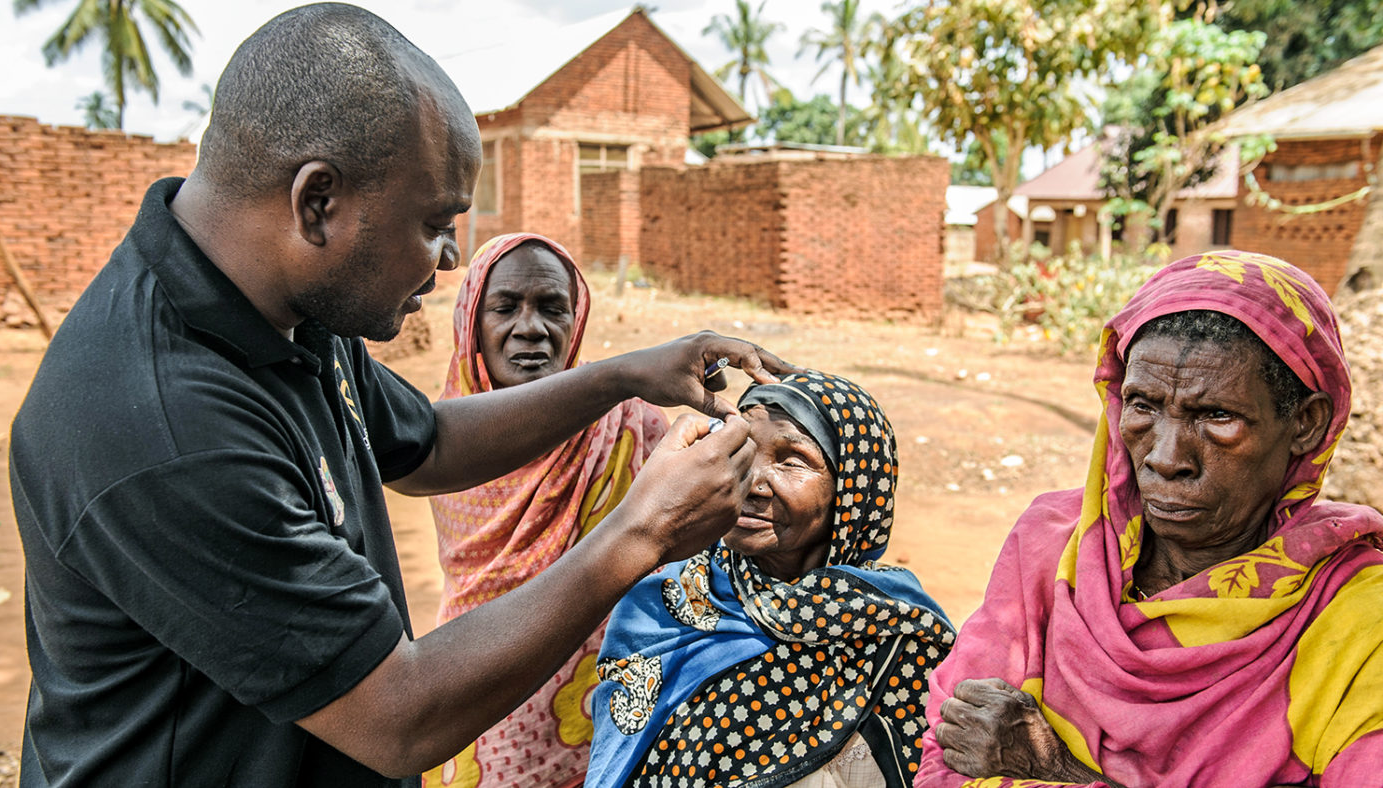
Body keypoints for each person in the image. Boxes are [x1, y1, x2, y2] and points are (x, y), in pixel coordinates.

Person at [8, 5, 794, 786]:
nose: (452, 260)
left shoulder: (289, 310)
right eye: (435, 222)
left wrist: (628, 374)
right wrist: (641, 531)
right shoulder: (165, 427)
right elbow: (400, 714)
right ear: (318, 202)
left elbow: (427, 444)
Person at [915, 250, 1383, 788]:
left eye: (1215, 416)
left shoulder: (1358, 620)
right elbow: (948, 760)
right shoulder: (1053, 545)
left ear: (1305, 422)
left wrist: (1056, 769)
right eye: (1142, 405)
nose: (1164, 457)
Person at [587, 370, 956, 788]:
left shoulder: (898, 632)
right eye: (740, 452)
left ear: (854, 491)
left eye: (791, 460)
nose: (750, 482)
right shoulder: (665, 605)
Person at [422, 233, 669, 787]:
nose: (531, 327)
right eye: (505, 307)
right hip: (478, 695)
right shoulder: (443, 444)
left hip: (611, 706)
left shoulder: (633, 429)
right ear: (471, 326)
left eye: (553, 308)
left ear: (576, 321)